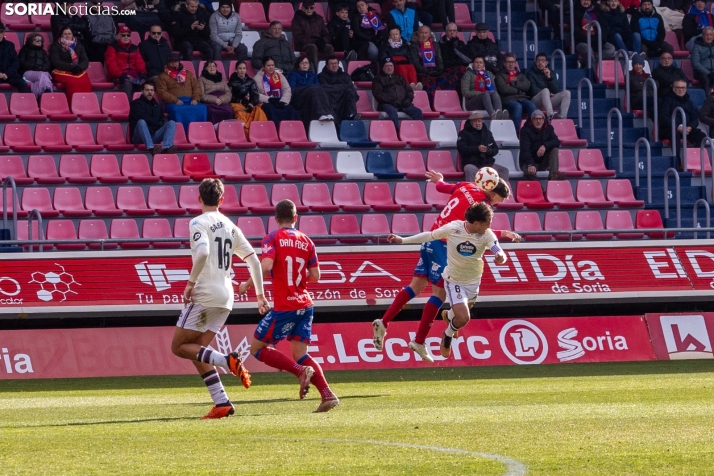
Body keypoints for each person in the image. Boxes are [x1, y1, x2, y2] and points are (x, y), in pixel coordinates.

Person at [374, 177, 517, 362]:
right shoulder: (481, 204)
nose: (499, 204)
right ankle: (419, 340)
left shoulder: (467, 186)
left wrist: (439, 180)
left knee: (415, 287)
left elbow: (444, 187)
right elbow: (478, 229)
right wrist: (502, 234)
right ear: (493, 193)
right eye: (501, 200)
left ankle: (383, 322)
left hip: (431, 239)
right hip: (443, 245)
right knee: (440, 294)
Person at [172, 178, 269, 420]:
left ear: (199, 198)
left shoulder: (198, 222)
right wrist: (260, 295)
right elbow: (254, 260)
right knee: (198, 351)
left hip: (206, 293)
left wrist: (190, 282)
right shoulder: (230, 226)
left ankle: (227, 360)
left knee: (179, 347)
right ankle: (222, 402)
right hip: (227, 297)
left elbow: (203, 252)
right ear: (222, 200)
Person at [238, 200, 340, 413]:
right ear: (296, 218)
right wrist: (295, 278)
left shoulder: (272, 237)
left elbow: (265, 265)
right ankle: (327, 394)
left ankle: (300, 372)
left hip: (286, 307)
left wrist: (247, 285)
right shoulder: (307, 241)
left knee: (257, 348)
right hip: (305, 304)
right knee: (301, 353)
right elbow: (316, 276)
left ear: (275, 219)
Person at [156, 52, 207, 132]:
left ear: (179, 62)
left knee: (202, 108)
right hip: (172, 102)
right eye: (171, 62)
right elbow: (161, 92)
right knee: (177, 110)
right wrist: (175, 100)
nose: (174, 64)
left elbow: (196, 87)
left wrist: (196, 99)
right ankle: (181, 133)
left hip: (190, 100)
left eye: (175, 61)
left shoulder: (188, 74)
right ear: (168, 63)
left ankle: (198, 133)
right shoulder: (162, 76)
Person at [408, 25, 463, 101]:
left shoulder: (435, 45)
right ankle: (432, 102)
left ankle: (448, 100)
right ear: (418, 34)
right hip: (423, 72)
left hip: (436, 70)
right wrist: (427, 71)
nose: (424, 35)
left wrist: (440, 69)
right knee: (429, 82)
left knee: (453, 76)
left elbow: (439, 60)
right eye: (422, 33)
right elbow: (416, 63)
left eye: (426, 33)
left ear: (430, 34)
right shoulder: (414, 46)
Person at [372, 57, 424, 129]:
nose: (389, 68)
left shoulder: (399, 77)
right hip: (388, 104)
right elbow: (378, 93)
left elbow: (409, 90)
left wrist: (408, 99)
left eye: (391, 66)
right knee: (392, 112)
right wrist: (391, 101)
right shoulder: (378, 79)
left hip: (403, 103)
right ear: (383, 68)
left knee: (417, 112)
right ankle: (395, 133)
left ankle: (418, 132)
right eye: (387, 66)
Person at [458, 112, 508, 182]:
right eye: (475, 121)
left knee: (504, 171)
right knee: (469, 169)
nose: (477, 123)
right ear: (471, 122)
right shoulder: (463, 133)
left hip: (487, 164)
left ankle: (501, 192)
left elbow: (495, 149)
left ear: (482, 121)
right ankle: (472, 191)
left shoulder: (487, 133)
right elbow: (461, 149)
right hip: (471, 163)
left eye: (479, 121)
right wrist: (477, 149)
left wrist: (488, 150)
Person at [659, 79, 707, 153]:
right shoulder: (667, 100)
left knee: (701, 136)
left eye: (683, 88)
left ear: (686, 89)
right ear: (673, 88)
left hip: (686, 129)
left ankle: (695, 159)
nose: (680, 90)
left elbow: (694, 118)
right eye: (678, 87)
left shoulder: (688, 101)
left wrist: (690, 127)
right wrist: (677, 127)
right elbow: (663, 118)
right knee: (675, 136)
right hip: (670, 129)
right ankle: (677, 162)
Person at [129, 81, 177, 155]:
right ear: (142, 91)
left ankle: (166, 148)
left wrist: (156, 123)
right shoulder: (136, 104)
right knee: (141, 122)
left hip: (153, 134)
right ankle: (151, 149)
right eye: (147, 90)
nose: (150, 92)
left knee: (171, 123)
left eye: (151, 90)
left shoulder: (157, 105)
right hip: (139, 137)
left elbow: (162, 119)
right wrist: (156, 123)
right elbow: (142, 117)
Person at [288, 55, 336, 127]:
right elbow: (292, 89)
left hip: (311, 95)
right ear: (298, 65)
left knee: (321, 89)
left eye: (306, 63)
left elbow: (318, 88)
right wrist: (308, 87)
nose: (304, 64)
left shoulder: (313, 76)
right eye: (302, 63)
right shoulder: (293, 75)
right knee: (313, 88)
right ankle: (320, 113)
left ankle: (327, 113)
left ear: (309, 65)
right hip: (299, 96)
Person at [496, 53, 537, 135]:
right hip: (508, 100)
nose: (511, 64)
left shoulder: (520, 75)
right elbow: (504, 89)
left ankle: (533, 132)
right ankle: (516, 133)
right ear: (504, 63)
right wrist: (519, 89)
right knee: (517, 107)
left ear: (515, 63)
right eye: (508, 62)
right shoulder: (499, 75)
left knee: (531, 105)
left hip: (522, 99)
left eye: (513, 62)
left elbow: (527, 86)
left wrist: (513, 84)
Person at [519, 110, 566, 180]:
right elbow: (525, 149)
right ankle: (538, 187)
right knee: (529, 171)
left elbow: (556, 141)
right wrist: (530, 164)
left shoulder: (548, 128)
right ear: (532, 120)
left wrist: (545, 146)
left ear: (543, 120)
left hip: (542, 161)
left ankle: (553, 176)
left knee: (554, 149)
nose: (538, 121)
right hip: (528, 162)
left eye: (540, 119)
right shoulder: (525, 130)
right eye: (536, 119)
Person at [254, 56, 301, 126]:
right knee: (271, 110)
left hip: (280, 101)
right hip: (267, 102)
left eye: (273, 65)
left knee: (291, 110)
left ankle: (292, 132)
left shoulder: (279, 76)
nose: (271, 67)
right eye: (268, 65)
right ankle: (276, 132)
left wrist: (283, 101)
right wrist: (269, 99)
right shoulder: (257, 78)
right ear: (263, 67)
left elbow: (287, 89)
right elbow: (255, 94)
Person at [49, 27, 92, 101]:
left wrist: (79, 68)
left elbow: (85, 60)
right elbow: (56, 62)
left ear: (72, 35)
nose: (67, 36)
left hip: (77, 69)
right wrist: (71, 67)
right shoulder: (55, 46)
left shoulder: (78, 45)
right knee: (73, 82)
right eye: (65, 34)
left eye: (69, 34)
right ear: (61, 35)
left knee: (85, 81)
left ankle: (86, 104)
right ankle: (73, 104)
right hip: (61, 70)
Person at [526, 52, 572, 120]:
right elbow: (533, 90)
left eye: (543, 61)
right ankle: (550, 115)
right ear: (535, 63)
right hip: (535, 101)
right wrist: (548, 94)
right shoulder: (530, 73)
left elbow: (556, 90)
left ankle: (562, 117)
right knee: (545, 90)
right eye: (538, 60)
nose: (540, 63)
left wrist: (549, 77)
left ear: (546, 62)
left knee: (567, 93)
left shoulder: (551, 72)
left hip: (548, 101)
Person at [105, 26, 148, 98]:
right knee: (127, 84)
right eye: (123, 35)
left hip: (134, 75)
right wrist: (121, 75)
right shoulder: (112, 47)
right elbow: (111, 64)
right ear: (118, 36)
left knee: (146, 83)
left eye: (128, 35)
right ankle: (128, 105)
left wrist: (142, 72)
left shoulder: (135, 48)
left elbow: (140, 62)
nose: (126, 37)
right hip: (118, 76)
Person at [229, 60, 268, 138]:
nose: (242, 70)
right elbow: (230, 96)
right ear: (236, 70)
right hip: (237, 104)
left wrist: (252, 103)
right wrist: (241, 101)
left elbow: (255, 95)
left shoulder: (251, 81)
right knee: (241, 115)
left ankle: (261, 135)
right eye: (240, 68)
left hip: (249, 103)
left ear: (246, 70)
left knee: (259, 112)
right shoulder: (231, 82)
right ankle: (246, 137)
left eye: (244, 68)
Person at [292, 0, 335, 71]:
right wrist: (315, 42)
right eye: (306, 8)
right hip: (303, 45)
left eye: (311, 8)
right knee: (313, 47)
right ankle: (314, 70)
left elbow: (326, 34)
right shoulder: (297, 20)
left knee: (329, 47)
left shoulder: (319, 19)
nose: (309, 9)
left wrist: (323, 41)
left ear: (314, 8)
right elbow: (298, 37)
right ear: (302, 8)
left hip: (319, 42)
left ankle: (330, 70)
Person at [574, 0, 616, 69]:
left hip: (596, 40)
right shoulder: (575, 12)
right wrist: (589, 40)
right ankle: (591, 73)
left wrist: (600, 40)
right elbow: (577, 32)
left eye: (588, 0)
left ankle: (591, 59)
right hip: (582, 42)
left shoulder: (597, 12)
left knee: (611, 48)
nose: (586, 2)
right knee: (588, 49)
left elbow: (604, 28)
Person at [318, 55, 360, 122]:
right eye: (331, 64)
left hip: (345, 100)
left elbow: (351, 88)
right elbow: (326, 89)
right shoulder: (321, 76)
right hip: (331, 100)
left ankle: (351, 116)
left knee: (350, 91)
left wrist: (341, 89)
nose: (334, 65)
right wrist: (343, 87)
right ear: (327, 66)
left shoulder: (345, 76)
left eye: (335, 63)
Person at [379, 25, 420, 90]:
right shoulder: (385, 46)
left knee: (411, 67)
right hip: (393, 64)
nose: (395, 36)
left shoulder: (406, 45)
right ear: (389, 36)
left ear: (400, 35)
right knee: (402, 68)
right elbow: (383, 59)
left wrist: (411, 63)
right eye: (392, 35)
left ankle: (414, 85)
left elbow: (409, 57)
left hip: (405, 62)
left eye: (396, 34)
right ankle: (407, 86)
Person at [18, 33, 53, 97]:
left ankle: (39, 97)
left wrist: (41, 68)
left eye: (41, 40)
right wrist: (35, 67)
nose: (39, 42)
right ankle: (47, 94)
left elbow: (48, 64)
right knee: (42, 75)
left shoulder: (43, 52)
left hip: (41, 72)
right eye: (37, 40)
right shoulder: (24, 50)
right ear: (30, 40)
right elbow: (22, 62)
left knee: (42, 77)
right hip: (27, 72)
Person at [0, 23, 29, 93]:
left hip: (9, 74)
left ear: (4, 33)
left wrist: (7, 74)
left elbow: (15, 62)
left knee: (22, 83)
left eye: (1, 32)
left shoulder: (10, 45)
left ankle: (23, 103)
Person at [692, 26, 714, 93]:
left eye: (711, 35)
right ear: (703, 35)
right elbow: (695, 63)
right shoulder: (697, 46)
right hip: (701, 72)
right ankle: (709, 100)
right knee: (706, 79)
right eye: (707, 34)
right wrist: (708, 73)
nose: (709, 37)